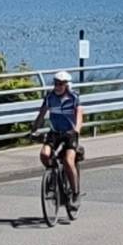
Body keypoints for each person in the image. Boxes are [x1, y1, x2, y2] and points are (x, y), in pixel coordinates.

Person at [35, 70, 84, 207]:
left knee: (68, 162)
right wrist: (33, 130)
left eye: (61, 84)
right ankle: (52, 176)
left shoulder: (73, 97)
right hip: (55, 132)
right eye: (56, 83)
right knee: (44, 154)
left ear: (67, 85)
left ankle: (75, 192)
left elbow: (79, 114)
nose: (58, 86)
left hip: (69, 133)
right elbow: (41, 114)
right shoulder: (50, 97)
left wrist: (76, 130)